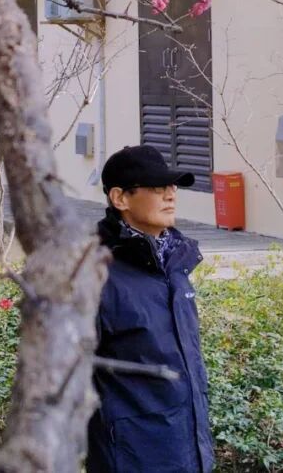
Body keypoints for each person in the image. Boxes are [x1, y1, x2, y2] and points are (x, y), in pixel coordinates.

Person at [86, 145, 215, 473]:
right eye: (157, 188)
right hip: (131, 458)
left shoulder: (176, 263)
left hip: (189, 452)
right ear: (120, 198)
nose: (170, 195)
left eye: (172, 187)